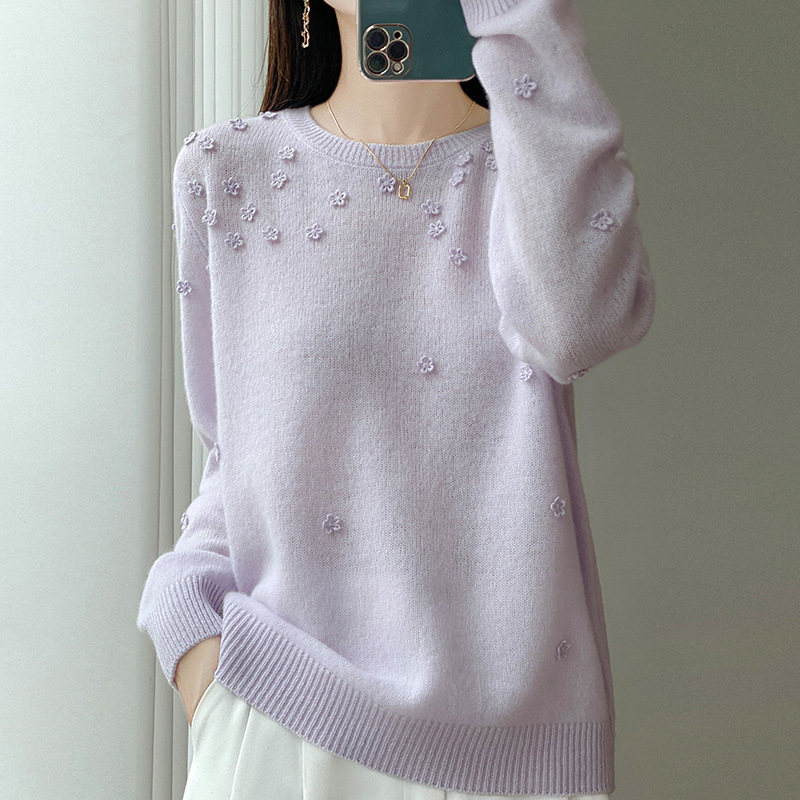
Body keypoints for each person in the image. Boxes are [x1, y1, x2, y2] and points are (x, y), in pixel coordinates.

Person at [137, 0, 655, 797]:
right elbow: (233, 456)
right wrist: (191, 632)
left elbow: (579, 327)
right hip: (282, 720)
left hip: (517, 755)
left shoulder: (534, 173)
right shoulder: (226, 170)